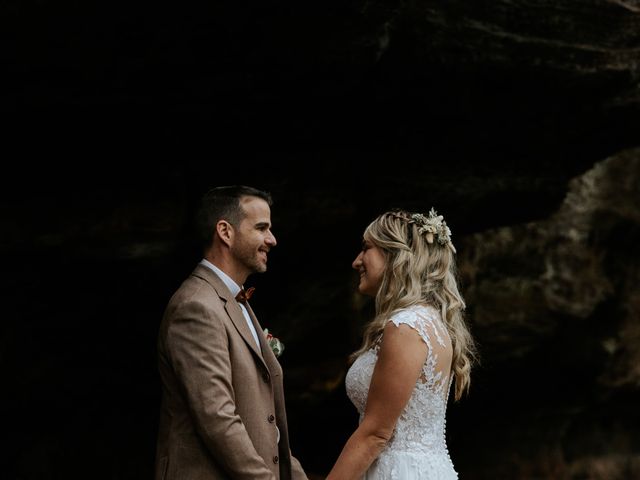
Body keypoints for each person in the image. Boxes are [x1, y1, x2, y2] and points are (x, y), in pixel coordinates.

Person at [154, 185, 308, 480]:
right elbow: (217, 418)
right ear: (225, 231)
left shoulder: (233, 300)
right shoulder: (196, 307)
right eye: (261, 228)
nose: (272, 240)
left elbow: (265, 424)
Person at [326, 208, 477, 480]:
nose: (356, 261)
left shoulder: (407, 326)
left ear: (395, 255)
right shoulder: (428, 321)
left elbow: (376, 434)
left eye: (366, 248)